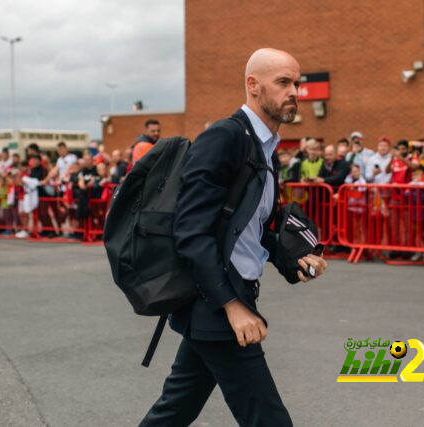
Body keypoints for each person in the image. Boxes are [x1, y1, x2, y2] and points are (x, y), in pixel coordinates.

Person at [140, 48, 327, 427]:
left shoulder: (266, 147)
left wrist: (292, 257)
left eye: (297, 83)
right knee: (269, 419)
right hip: (218, 303)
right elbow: (191, 232)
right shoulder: (225, 138)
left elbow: (251, 228)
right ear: (253, 85)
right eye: (283, 82)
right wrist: (232, 305)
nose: (294, 91)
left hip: (219, 300)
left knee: (173, 411)